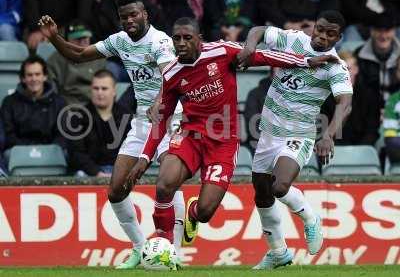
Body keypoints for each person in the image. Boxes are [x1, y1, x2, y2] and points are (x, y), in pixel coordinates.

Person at [126, 17, 337, 251]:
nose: (182, 43)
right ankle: (164, 243)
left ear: (199, 39)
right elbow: (162, 119)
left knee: (205, 213)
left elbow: (264, 56)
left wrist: (306, 61)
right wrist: (144, 158)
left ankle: (194, 212)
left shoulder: (221, 51)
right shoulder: (172, 73)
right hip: (191, 136)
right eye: (177, 38)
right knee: (164, 184)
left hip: (223, 144)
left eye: (188, 37)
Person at [38, 0, 184, 269]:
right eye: (124, 17)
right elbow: (79, 54)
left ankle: (173, 251)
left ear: (145, 15)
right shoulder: (119, 41)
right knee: (117, 190)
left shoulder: (161, 41)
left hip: (171, 119)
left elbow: (171, 79)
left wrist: (157, 103)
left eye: (134, 15)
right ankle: (140, 249)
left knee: (167, 182)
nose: (129, 20)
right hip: (142, 122)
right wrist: (54, 37)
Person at [238, 10, 353, 269]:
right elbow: (258, 29)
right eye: (320, 29)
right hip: (267, 132)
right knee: (262, 194)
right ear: (315, 26)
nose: (322, 37)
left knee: (280, 187)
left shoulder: (335, 66)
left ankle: (310, 217)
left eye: (330, 34)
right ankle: (278, 252)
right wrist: (249, 47)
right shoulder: (293, 40)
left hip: (298, 134)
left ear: (339, 37)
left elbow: (345, 104)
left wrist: (328, 135)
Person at [69, 70, 131, 177]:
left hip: (119, 172)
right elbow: (76, 153)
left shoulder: (126, 116)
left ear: (114, 91)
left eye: (104, 88)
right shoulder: (78, 117)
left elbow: (132, 150)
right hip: (89, 172)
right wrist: (96, 173)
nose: (100, 92)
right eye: (96, 88)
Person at [0, 56, 67, 152]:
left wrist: (48, 150)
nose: (34, 79)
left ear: (45, 76)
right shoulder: (9, 102)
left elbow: (62, 135)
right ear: (23, 78)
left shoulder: (59, 102)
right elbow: (9, 135)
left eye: (37, 74)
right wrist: (29, 150)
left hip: (51, 153)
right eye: (29, 75)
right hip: (18, 152)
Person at [320, 51, 380, 145]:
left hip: (363, 151)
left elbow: (372, 132)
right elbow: (323, 136)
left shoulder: (369, 96)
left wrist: (359, 153)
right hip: (333, 151)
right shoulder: (325, 97)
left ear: (356, 70)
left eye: (348, 69)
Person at [22, 0, 93, 50]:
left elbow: (85, 4)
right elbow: (30, 2)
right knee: (34, 42)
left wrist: (78, 29)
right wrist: (36, 29)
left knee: (81, 42)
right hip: (41, 27)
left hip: (69, 27)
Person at [47, 21, 106, 105]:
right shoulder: (55, 60)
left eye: (85, 37)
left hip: (94, 105)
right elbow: (51, 89)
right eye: (78, 39)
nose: (82, 42)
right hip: (66, 105)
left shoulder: (98, 58)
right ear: (66, 41)